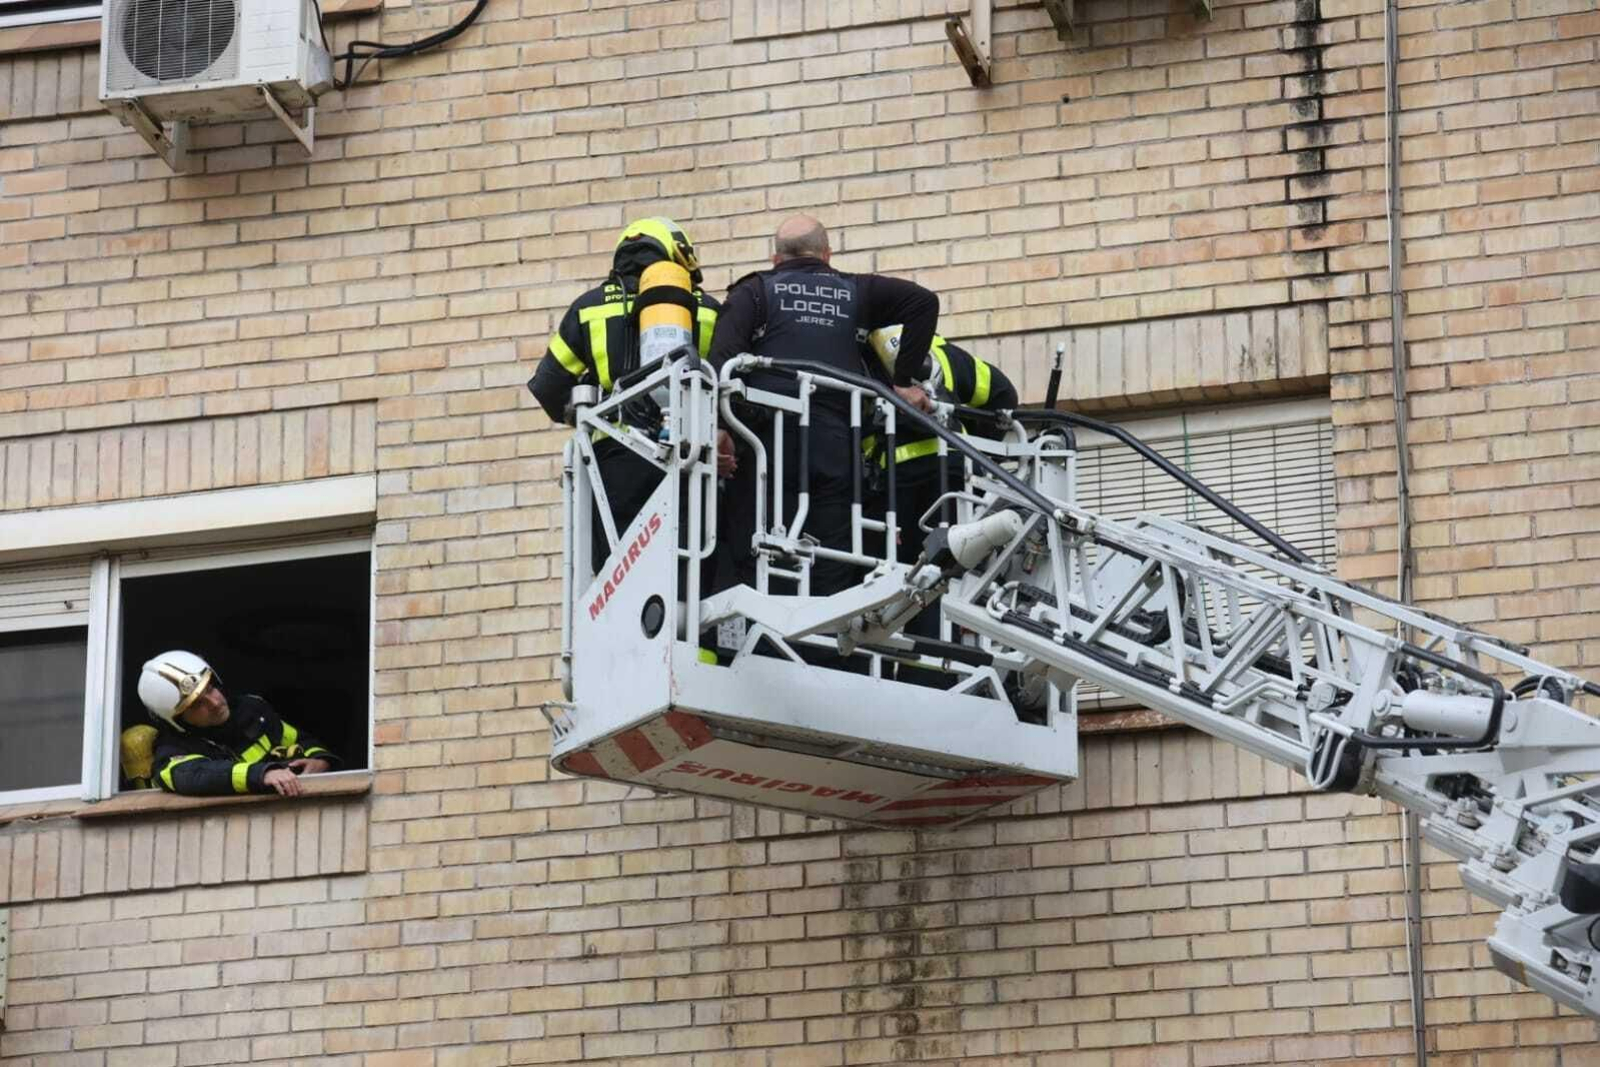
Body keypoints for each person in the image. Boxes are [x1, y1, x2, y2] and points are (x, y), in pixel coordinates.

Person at [707, 215, 939, 595]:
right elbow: (923, 303)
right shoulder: (857, 290)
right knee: (833, 554)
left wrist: (722, 427)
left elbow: (723, 359)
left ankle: (770, 634)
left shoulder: (755, 291)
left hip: (767, 442)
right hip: (837, 442)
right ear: (827, 254)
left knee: (759, 545)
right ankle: (826, 640)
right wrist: (901, 382)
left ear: (776, 258)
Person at [527, 217, 728, 567]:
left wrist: (588, 408)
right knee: (688, 568)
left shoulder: (588, 307)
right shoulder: (708, 308)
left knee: (617, 573)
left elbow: (549, 386)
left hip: (614, 458)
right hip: (687, 456)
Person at [139, 650, 340, 797]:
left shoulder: (252, 710)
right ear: (177, 719)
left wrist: (320, 760)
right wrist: (262, 774)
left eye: (210, 689)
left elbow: (299, 739)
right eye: (197, 704)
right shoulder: (171, 751)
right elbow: (196, 776)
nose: (215, 702)